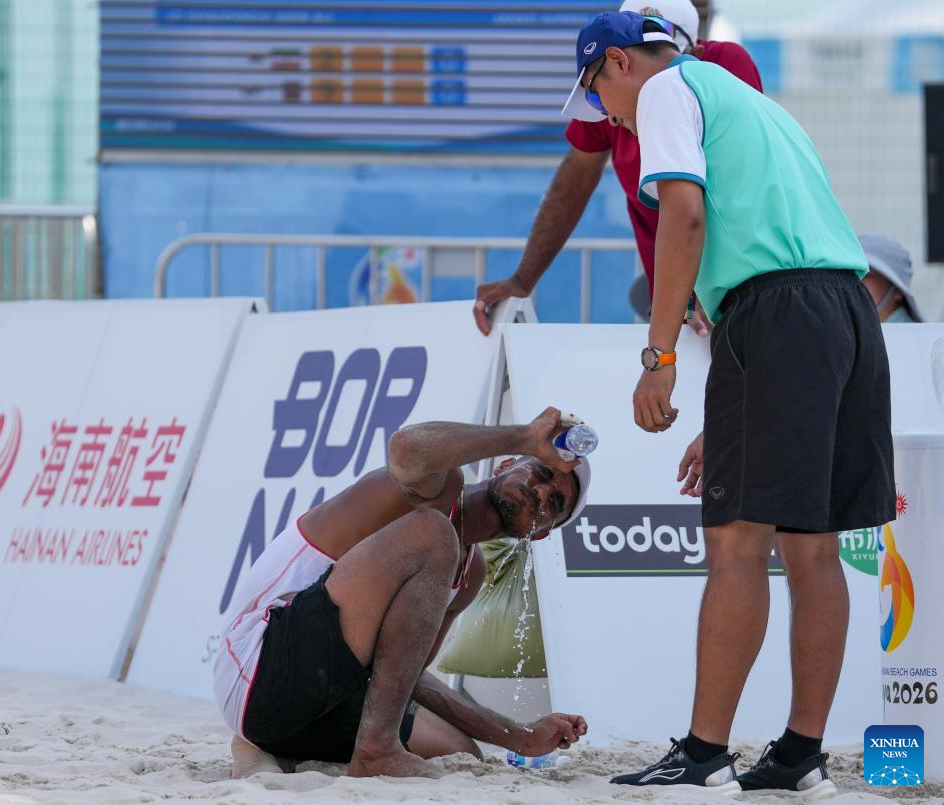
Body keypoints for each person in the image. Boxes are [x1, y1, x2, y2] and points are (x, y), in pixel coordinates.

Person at [563, 11, 893, 797]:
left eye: (597, 94)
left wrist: (660, 356)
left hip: (775, 315)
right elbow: (780, 247)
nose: (606, 116)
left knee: (737, 544)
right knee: (813, 547)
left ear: (619, 63)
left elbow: (683, 218)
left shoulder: (666, 89)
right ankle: (801, 754)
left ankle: (705, 753)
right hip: (846, 312)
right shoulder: (752, 103)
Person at [213, 409, 591, 779]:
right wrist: (526, 437)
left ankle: (262, 746)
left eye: (555, 503)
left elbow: (405, 676)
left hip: (310, 701)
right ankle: (375, 749)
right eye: (542, 473)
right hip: (258, 667)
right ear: (505, 465)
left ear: (540, 533)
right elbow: (405, 448)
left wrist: (519, 736)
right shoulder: (436, 489)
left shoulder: (471, 574)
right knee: (435, 534)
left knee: (458, 750)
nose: (541, 492)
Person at [472, 0, 761, 338]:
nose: (608, 117)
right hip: (688, 304)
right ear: (619, 61)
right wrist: (523, 280)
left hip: (741, 293)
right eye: (594, 98)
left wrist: (700, 295)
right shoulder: (614, 94)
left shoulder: (717, 69)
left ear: (690, 55)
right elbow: (575, 180)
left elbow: (724, 196)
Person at [859, 235, 924, 323]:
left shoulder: (915, 332)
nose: (853, 282)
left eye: (867, 273)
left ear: (897, 290)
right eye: (848, 275)